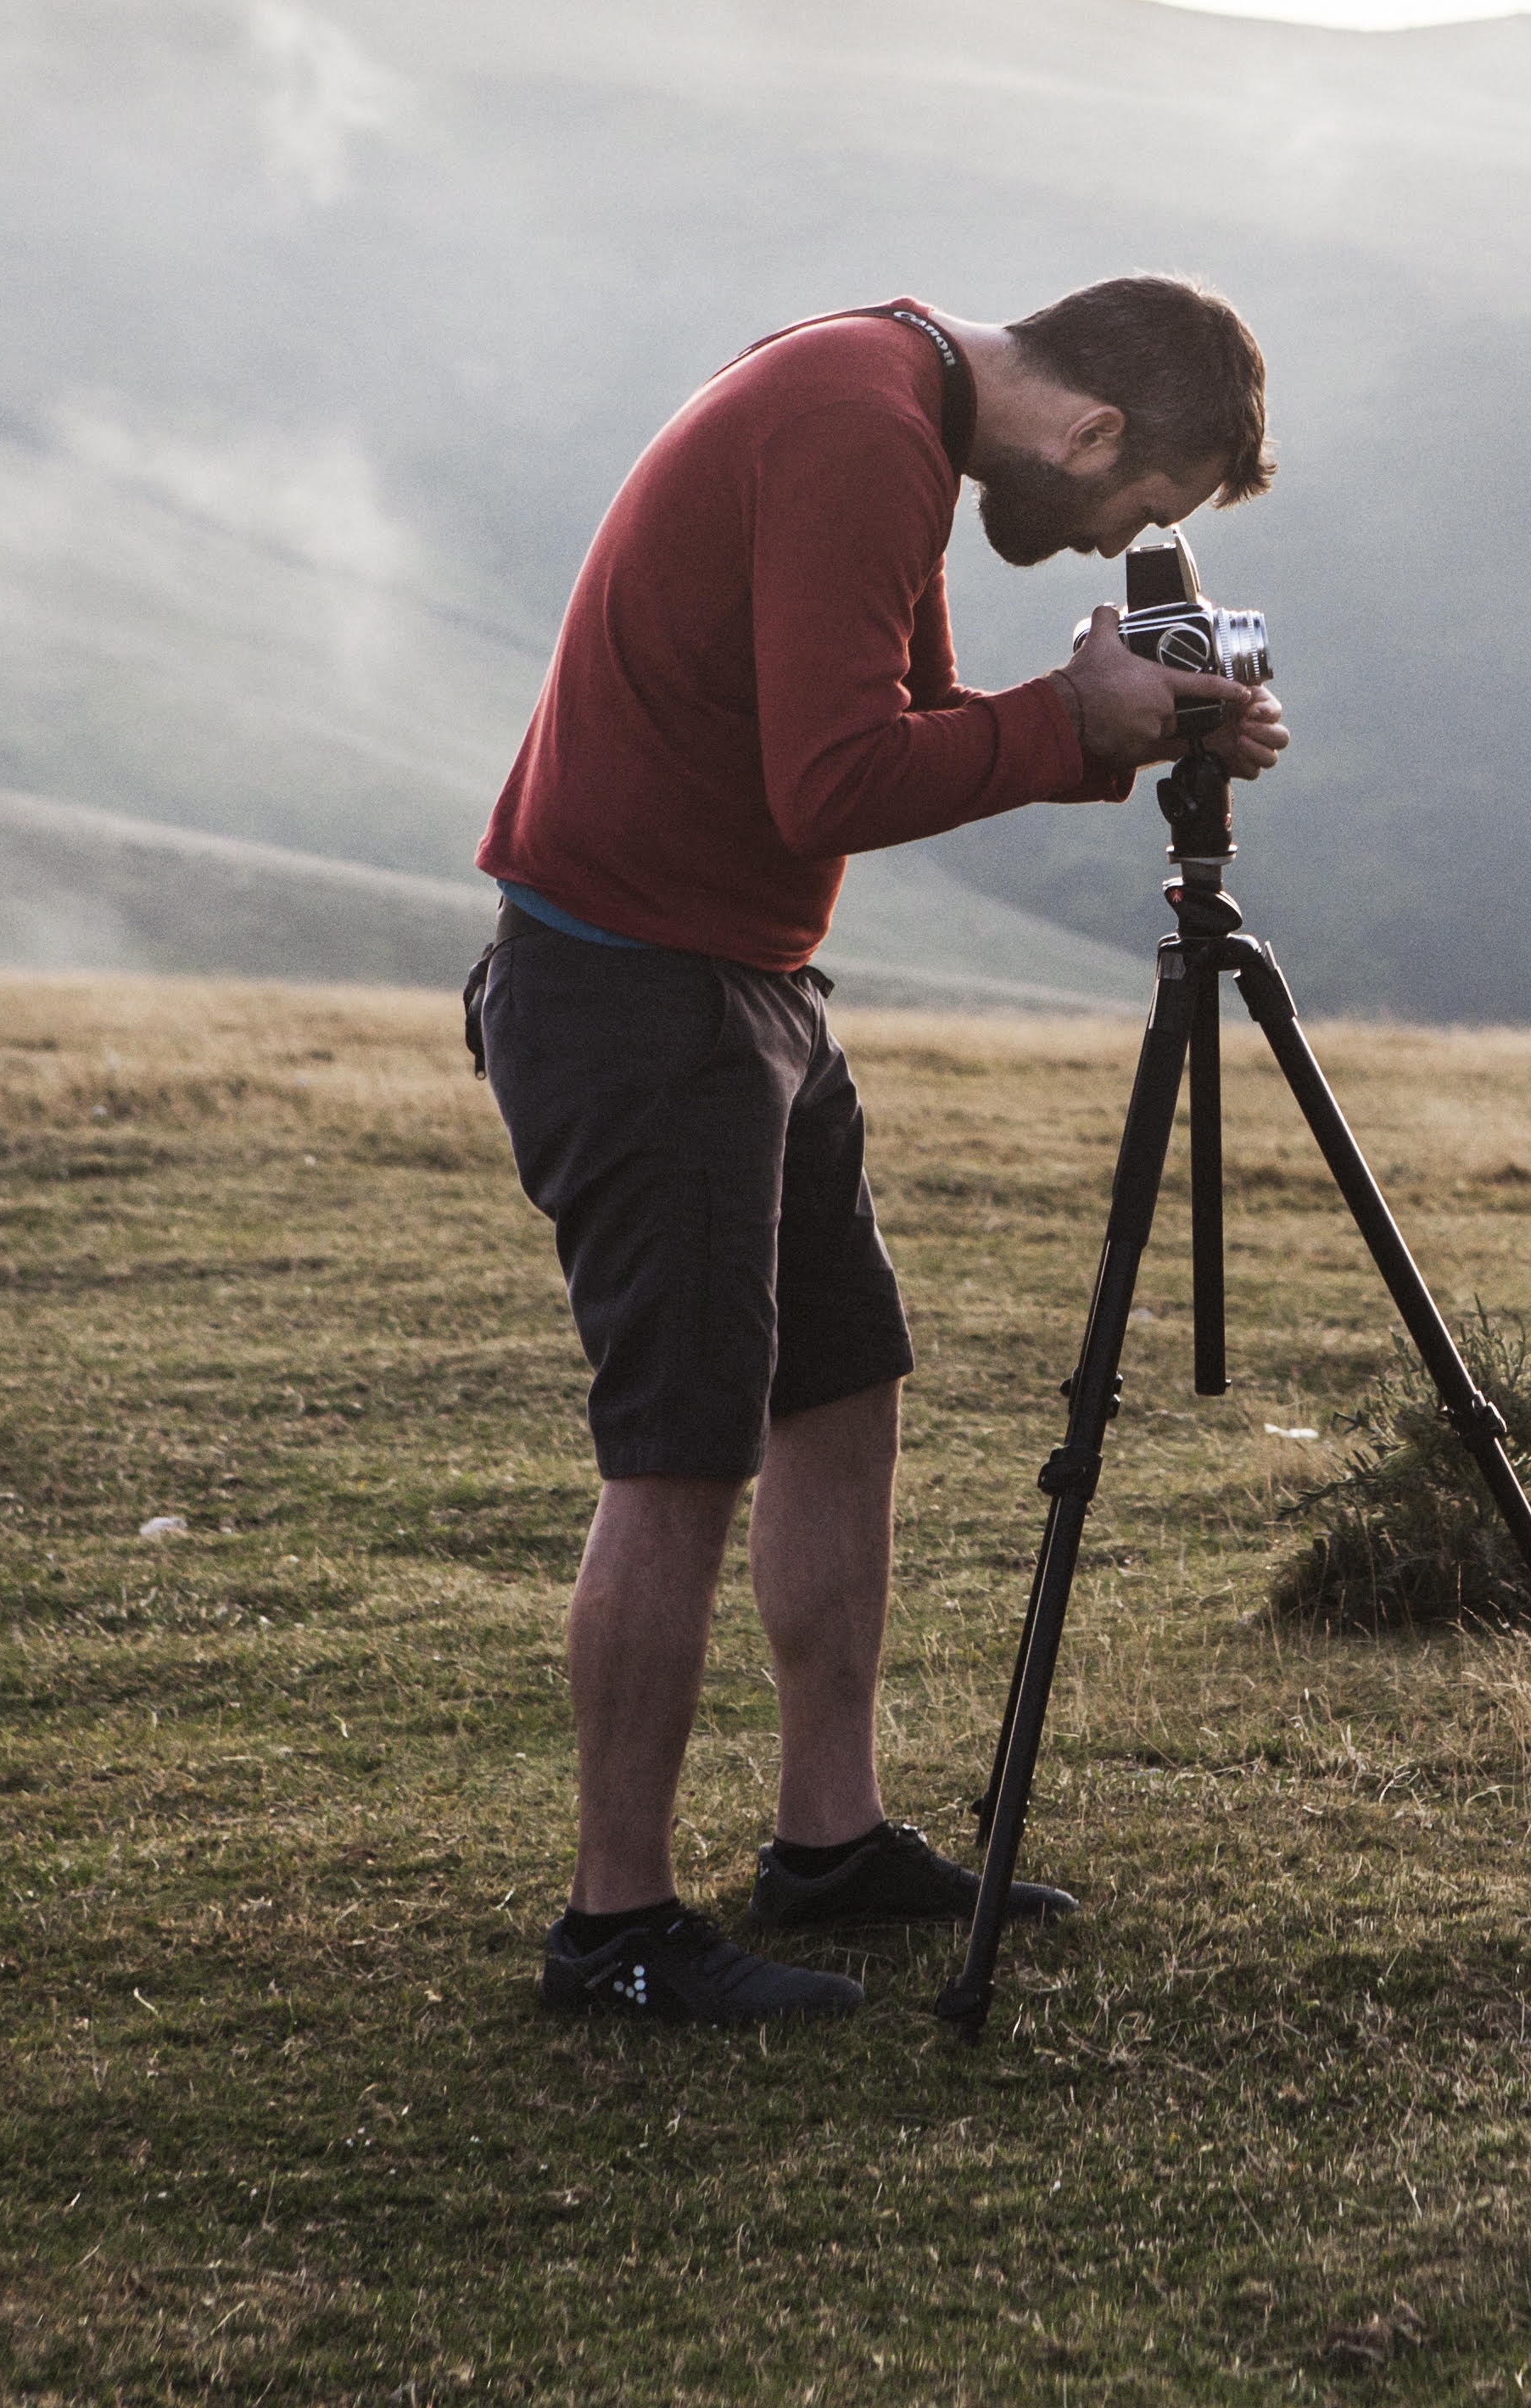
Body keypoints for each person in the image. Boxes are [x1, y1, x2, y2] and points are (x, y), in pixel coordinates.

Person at [467, 274, 1286, 2025]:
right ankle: (616, 1930)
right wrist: (1073, 721)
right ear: (1093, 429)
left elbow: (906, 721)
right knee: (681, 1454)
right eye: (1137, 512)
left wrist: (1125, 726)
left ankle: (827, 1839)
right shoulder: (859, 426)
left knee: (840, 1390)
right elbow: (832, 785)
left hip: (738, 980)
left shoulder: (890, 393)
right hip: (641, 992)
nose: (1112, 549)